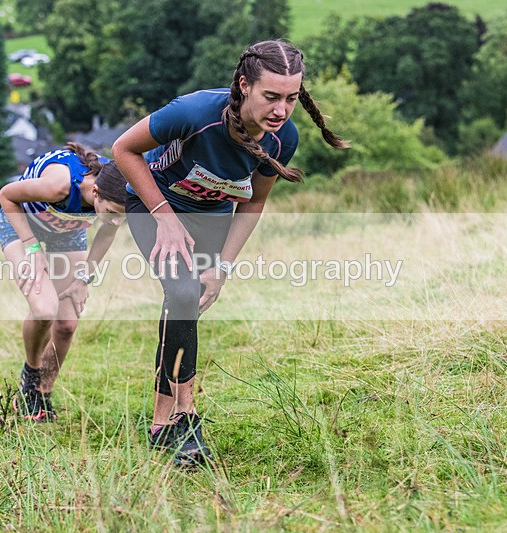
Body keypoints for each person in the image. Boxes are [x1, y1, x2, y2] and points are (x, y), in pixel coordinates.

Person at [112, 39, 348, 466]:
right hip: (155, 205)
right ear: (244, 85)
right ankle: (171, 421)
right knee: (182, 294)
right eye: (271, 97)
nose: (281, 110)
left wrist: (222, 266)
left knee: (187, 304)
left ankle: (177, 416)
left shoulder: (282, 140)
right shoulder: (194, 113)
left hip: (211, 217)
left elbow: (253, 202)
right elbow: (123, 151)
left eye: (292, 98)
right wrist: (164, 215)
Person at [0, 142, 127, 422]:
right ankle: (31, 377)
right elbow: (6, 196)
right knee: (45, 309)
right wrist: (32, 249)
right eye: (113, 212)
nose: (117, 222)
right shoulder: (59, 185)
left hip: (67, 231)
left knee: (67, 323)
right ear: (94, 191)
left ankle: (42, 395)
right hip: (22, 223)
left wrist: (84, 278)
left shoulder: (115, 188)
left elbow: (107, 230)